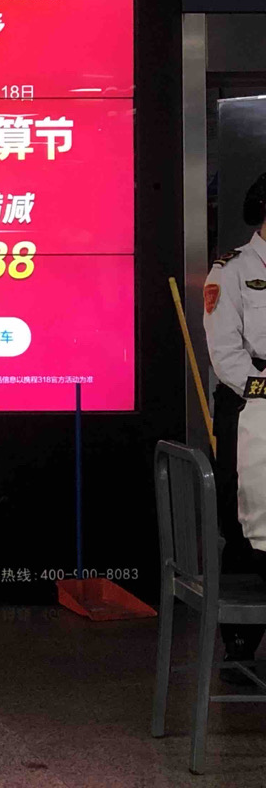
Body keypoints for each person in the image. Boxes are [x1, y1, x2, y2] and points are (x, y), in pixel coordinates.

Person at [204, 171, 266, 679]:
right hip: (248, 403)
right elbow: (226, 355)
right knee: (243, 513)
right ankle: (241, 642)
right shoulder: (231, 270)